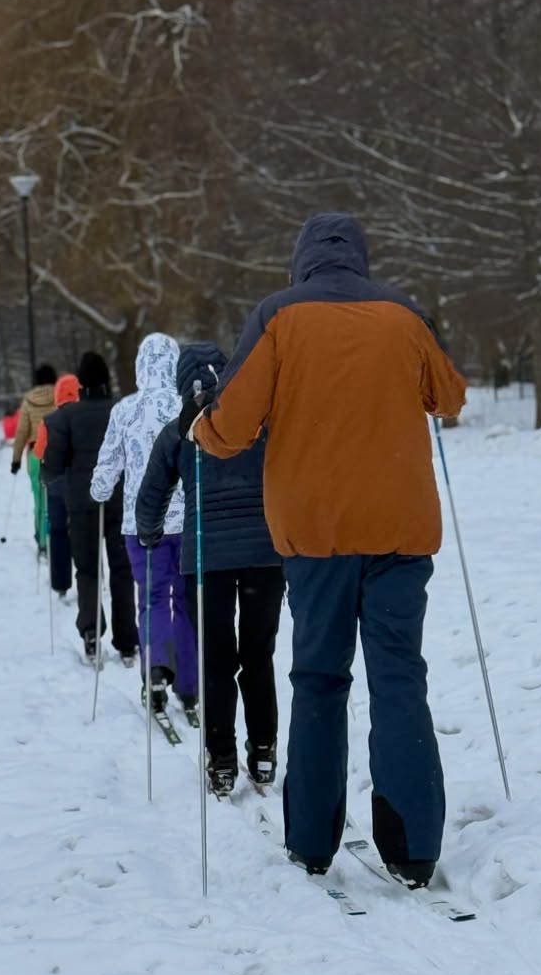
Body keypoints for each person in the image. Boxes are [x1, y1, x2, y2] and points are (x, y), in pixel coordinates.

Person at [187, 212, 467, 885]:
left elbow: (232, 426)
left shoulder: (279, 316)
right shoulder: (402, 314)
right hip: (401, 527)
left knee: (319, 676)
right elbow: (450, 396)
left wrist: (200, 427)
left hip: (314, 533)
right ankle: (413, 846)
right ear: (362, 258)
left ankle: (311, 841)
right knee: (400, 677)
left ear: (301, 260)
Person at [137, 343, 284, 796]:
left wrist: (150, 532)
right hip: (265, 555)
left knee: (218, 662)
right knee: (258, 657)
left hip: (205, 561)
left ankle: (221, 759)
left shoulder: (178, 432)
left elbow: (152, 492)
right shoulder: (260, 424)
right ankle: (263, 750)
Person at [91, 332, 198, 715]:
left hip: (142, 525)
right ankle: (188, 683)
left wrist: (100, 491)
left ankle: (154, 668)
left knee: (151, 599)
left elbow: (107, 468)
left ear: (140, 366)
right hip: (186, 523)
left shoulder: (125, 411)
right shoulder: (186, 406)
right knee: (185, 603)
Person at [42, 351, 139, 663]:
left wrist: (51, 475)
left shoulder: (65, 417)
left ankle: (90, 631)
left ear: (80, 382)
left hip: (83, 504)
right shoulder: (123, 411)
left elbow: (53, 466)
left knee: (87, 569)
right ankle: (126, 639)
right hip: (120, 502)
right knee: (122, 570)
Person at [33, 373, 80, 596]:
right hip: (80, 485)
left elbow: (39, 452)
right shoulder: (85, 417)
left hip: (57, 485)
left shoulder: (49, 421)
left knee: (58, 532)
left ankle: (61, 584)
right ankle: (90, 577)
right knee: (82, 531)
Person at [10, 362, 58, 552]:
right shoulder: (60, 396)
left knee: (39, 498)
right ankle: (58, 532)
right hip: (57, 454)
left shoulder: (28, 400)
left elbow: (21, 432)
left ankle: (41, 539)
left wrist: (15, 460)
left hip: (35, 455)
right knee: (58, 497)